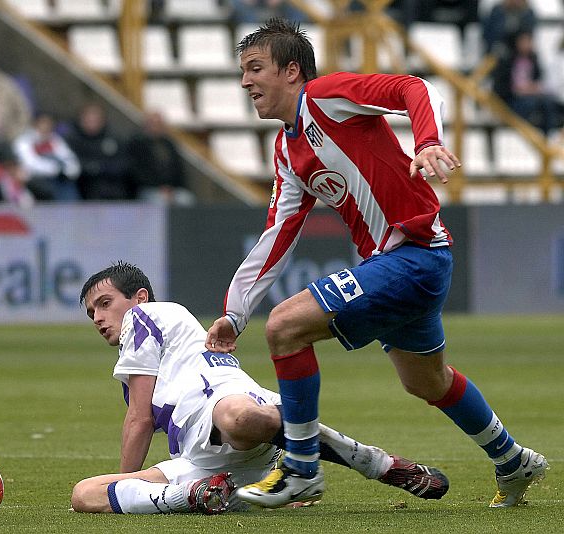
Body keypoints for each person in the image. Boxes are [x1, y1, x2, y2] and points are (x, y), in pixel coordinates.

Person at [203, 18, 547, 509]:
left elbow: (414, 86)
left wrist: (427, 141)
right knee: (426, 381)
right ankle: (512, 459)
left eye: (255, 68)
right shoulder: (286, 148)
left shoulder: (326, 96)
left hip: (415, 255)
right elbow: (278, 234)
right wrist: (235, 312)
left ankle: (301, 468)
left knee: (284, 327)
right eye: (243, 71)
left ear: (292, 71)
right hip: (406, 264)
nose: (245, 82)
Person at [71, 261, 449, 514]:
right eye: (92, 313)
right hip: (208, 459)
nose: (99, 318)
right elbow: (144, 417)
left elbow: (138, 420)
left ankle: (376, 463)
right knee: (84, 495)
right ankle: (203, 495)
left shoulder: (146, 315)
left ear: (138, 298)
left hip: (222, 403)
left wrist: (126, 481)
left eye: (105, 304)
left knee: (239, 420)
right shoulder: (149, 361)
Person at [492, 31, 558, 135]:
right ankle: (528, 131)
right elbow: (502, 86)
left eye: (529, 41)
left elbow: (539, 80)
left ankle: (546, 137)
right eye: (524, 41)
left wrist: (533, 88)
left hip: (531, 96)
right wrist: (517, 90)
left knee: (548, 102)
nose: (527, 44)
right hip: (513, 99)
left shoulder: (534, 59)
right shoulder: (507, 61)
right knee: (529, 104)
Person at [64, 102, 133, 200]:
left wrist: (102, 168)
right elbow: (71, 163)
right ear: (81, 120)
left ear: (103, 120)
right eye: (88, 120)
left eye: (95, 120)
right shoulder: (72, 139)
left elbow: (124, 162)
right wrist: (92, 168)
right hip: (83, 187)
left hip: (113, 186)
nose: (92, 123)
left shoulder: (114, 137)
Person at [126, 111, 195, 206]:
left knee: (186, 199)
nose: (156, 126)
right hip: (148, 189)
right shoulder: (137, 144)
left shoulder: (169, 144)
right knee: (159, 201)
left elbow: (178, 170)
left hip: (172, 189)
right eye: (153, 123)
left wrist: (171, 188)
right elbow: (136, 172)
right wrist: (159, 187)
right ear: (146, 125)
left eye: (159, 124)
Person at [12, 112, 81, 201]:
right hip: (35, 179)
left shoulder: (56, 140)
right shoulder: (24, 141)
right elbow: (30, 164)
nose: (46, 126)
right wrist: (56, 169)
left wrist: (69, 170)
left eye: (49, 124)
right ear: (35, 124)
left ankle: (72, 213)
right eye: (43, 123)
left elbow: (69, 159)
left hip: (57, 178)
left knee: (69, 186)